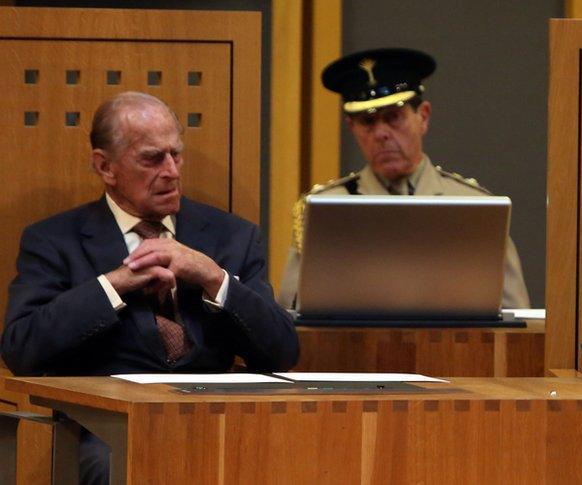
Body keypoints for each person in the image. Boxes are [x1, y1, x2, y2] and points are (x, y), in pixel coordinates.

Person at [2, 91, 299, 483]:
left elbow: (282, 352)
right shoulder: (55, 240)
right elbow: (22, 348)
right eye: (152, 158)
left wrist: (214, 277)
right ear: (105, 166)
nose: (172, 171)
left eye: (176, 154)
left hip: (219, 424)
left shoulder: (232, 237)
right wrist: (114, 284)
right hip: (106, 428)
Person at [278, 47, 531, 309]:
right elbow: (291, 316)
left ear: (423, 117)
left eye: (393, 118)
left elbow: (515, 316)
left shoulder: (474, 208)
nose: (381, 133)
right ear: (352, 128)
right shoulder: (324, 209)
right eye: (368, 121)